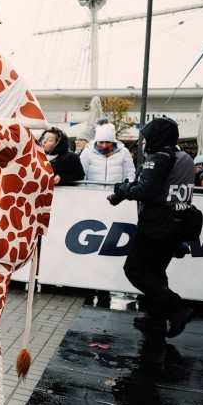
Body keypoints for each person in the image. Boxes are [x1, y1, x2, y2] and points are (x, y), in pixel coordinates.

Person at [107, 117, 196, 338]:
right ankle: (157, 319)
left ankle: (177, 308)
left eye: (147, 137)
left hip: (157, 222)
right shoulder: (184, 157)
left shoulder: (159, 157)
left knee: (135, 270)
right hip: (179, 221)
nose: (144, 142)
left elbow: (144, 190)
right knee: (156, 272)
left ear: (158, 136)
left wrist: (122, 189)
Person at [80, 122, 134, 308]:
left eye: (107, 143)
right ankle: (88, 283)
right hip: (92, 202)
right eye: (101, 142)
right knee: (92, 241)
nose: (103, 146)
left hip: (115, 201)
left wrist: (124, 193)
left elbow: (131, 175)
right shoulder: (87, 152)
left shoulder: (124, 153)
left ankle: (105, 287)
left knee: (110, 242)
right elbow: (82, 175)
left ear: (113, 142)